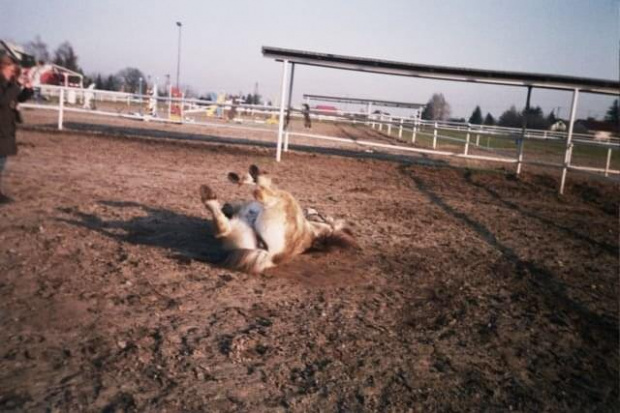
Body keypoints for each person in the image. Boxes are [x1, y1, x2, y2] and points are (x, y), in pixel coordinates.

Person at [0, 54, 34, 204]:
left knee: (2, 161)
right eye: (10, 70)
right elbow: (3, 100)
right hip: (1, 126)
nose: (12, 73)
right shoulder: (6, 84)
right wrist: (16, 86)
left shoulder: (8, 83)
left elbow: (16, 98)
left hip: (6, 126)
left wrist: (27, 91)